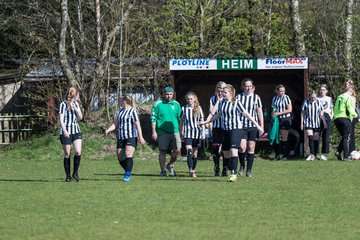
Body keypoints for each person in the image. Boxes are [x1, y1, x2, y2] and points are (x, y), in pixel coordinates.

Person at [201, 84, 263, 182]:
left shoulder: (236, 102)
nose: (222, 94)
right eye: (222, 92)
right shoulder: (222, 102)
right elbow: (218, 115)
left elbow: (247, 114)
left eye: (225, 92)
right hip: (225, 130)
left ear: (230, 93)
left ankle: (233, 174)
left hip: (236, 129)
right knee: (226, 153)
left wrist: (257, 125)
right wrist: (206, 122)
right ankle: (231, 168)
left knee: (234, 150)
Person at [105, 94, 145, 182]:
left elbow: (138, 125)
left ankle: (127, 174)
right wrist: (108, 129)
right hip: (121, 137)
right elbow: (115, 124)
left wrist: (140, 137)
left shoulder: (133, 111)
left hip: (131, 136)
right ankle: (128, 169)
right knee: (120, 157)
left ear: (124, 100)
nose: (119, 101)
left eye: (120, 99)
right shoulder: (120, 111)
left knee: (128, 154)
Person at [151, 85, 182, 176]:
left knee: (177, 150)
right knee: (162, 151)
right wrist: (154, 131)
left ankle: (170, 164)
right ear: (164, 94)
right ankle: (163, 171)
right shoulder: (158, 104)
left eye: (170, 94)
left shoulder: (176, 104)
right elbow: (153, 118)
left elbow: (180, 119)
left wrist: (181, 131)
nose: (169, 96)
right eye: (167, 94)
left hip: (175, 131)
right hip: (162, 131)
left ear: (173, 94)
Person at [236, 78, 264, 177]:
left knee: (251, 147)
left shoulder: (256, 98)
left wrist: (261, 126)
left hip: (253, 126)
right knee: (242, 148)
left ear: (253, 87)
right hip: (241, 126)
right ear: (243, 87)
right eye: (246, 86)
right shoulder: (238, 97)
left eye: (250, 86)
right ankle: (242, 166)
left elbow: (259, 112)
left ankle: (249, 170)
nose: (248, 88)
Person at [59, 87, 83, 182]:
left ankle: (75, 173)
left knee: (78, 152)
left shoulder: (76, 104)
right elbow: (61, 119)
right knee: (67, 153)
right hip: (66, 131)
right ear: (75, 95)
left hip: (75, 130)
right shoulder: (63, 104)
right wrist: (64, 130)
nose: (78, 96)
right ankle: (68, 175)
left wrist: (77, 110)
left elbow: (81, 117)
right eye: (78, 95)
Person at [181, 92, 205, 178]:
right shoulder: (184, 108)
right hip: (188, 133)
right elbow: (182, 121)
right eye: (188, 99)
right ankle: (190, 169)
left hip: (197, 133)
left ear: (194, 99)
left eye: (191, 99)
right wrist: (182, 130)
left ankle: (193, 170)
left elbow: (202, 121)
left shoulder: (199, 108)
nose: (189, 100)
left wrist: (203, 133)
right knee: (189, 151)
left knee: (195, 154)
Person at [333, 79, 358, 161]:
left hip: (337, 119)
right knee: (347, 137)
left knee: (344, 136)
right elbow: (350, 108)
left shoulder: (340, 96)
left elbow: (337, 108)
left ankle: (338, 151)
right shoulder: (348, 97)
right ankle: (346, 156)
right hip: (344, 118)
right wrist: (357, 117)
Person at [207, 81, 227, 176]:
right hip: (216, 127)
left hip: (226, 127)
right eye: (218, 91)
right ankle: (217, 167)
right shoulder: (213, 98)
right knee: (215, 148)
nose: (220, 93)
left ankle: (225, 168)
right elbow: (211, 111)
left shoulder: (228, 98)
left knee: (225, 149)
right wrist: (218, 101)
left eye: (222, 91)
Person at [301, 91, 326, 161]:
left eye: (314, 97)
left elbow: (322, 111)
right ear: (309, 96)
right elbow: (302, 113)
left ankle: (316, 153)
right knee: (310, 137)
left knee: (316, 139)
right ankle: (311, 154)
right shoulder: (306, 102)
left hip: (316, 123)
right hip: (308, 122)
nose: (313, 99)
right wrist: (302, 123)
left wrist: (322, 117)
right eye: (312, 97)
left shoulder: (319, 102)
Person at [271, 84, 293, 160]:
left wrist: (279, 113)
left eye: (283, 91)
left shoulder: (286, 98)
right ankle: (277, 154)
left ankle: (286, 155)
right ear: (277, 91)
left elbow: (290, 110)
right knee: (275, 137)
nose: (282, 92)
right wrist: (273, 114)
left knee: (284, 138)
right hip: (277, 120)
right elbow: (273, 108)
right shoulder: (274, 98)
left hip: (285, 119)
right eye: (280, 91)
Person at [318, 84, 334, 160]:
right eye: (321, 90)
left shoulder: (329, 98)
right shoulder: (317, 98)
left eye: (324, 90)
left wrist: (331, 116)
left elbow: (331, 109)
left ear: (326, 91)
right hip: (318, 117)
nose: (322, 91)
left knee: (326, 136)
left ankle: (325, 153)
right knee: (317, 135)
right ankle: (316, 152)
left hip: (327, 117)